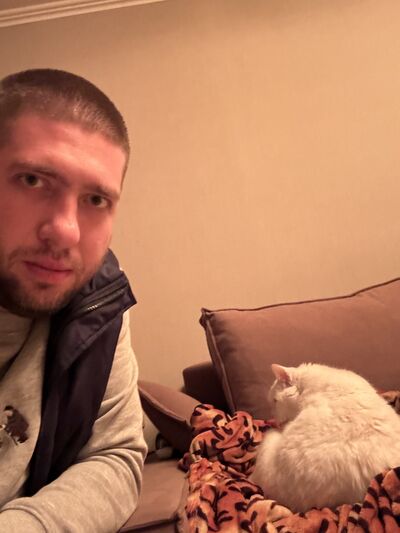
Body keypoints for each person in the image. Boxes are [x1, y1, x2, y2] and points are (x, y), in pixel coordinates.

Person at [0, 69, 147, 531]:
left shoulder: (99, 303)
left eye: (96, 200)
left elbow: (116, 453)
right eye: (32, 180)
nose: (66, 231)